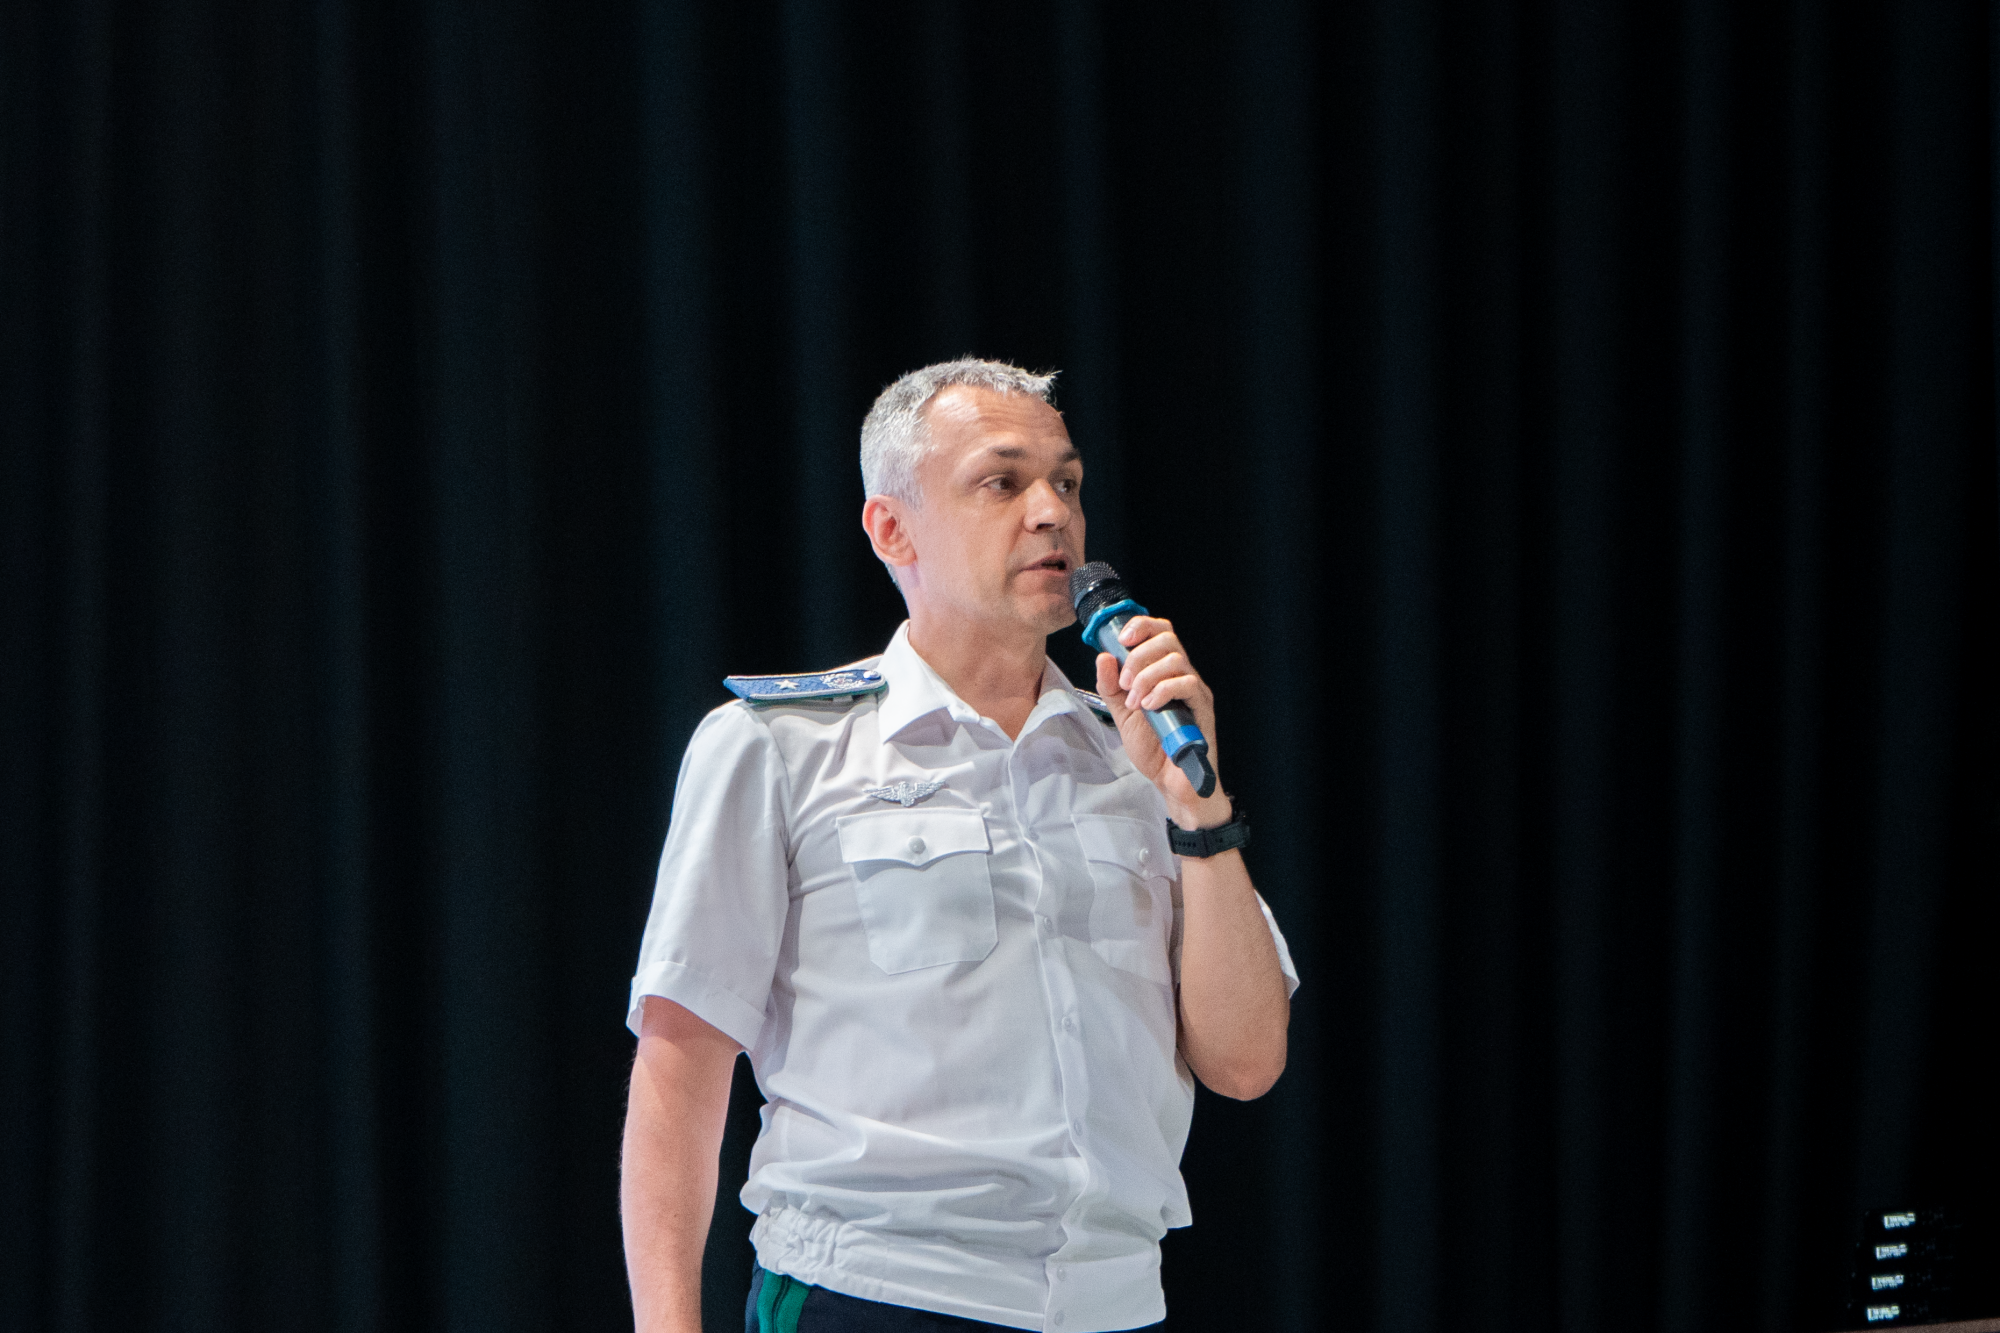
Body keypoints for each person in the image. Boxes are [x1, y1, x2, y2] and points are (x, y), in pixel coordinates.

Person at [620, 359, 1297, 1333]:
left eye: (1067, 482)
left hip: (1112, 1303)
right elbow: (680, 1069)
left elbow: (1245, 1060)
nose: (1051, 513)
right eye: (1001, 481)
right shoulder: (779, 747)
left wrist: (1200, 807)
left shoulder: (1133, 755)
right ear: (892, 530)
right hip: (876, 1295)